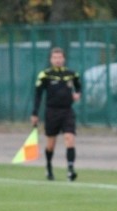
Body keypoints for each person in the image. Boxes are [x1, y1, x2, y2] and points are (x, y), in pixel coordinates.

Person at [31, 46, 81, 181]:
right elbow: (38, 95)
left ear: (64, 59)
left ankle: (70, 169)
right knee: (50, 144)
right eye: (55, 58)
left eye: (60, 57)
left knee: (70, 138)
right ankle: (48, 166)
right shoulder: (45, 75)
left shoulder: (71, 74)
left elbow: (78, 85)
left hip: (67, 111)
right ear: (51, 60)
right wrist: (35, 113)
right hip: (52, 112)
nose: (58, 60)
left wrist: (77, 93)